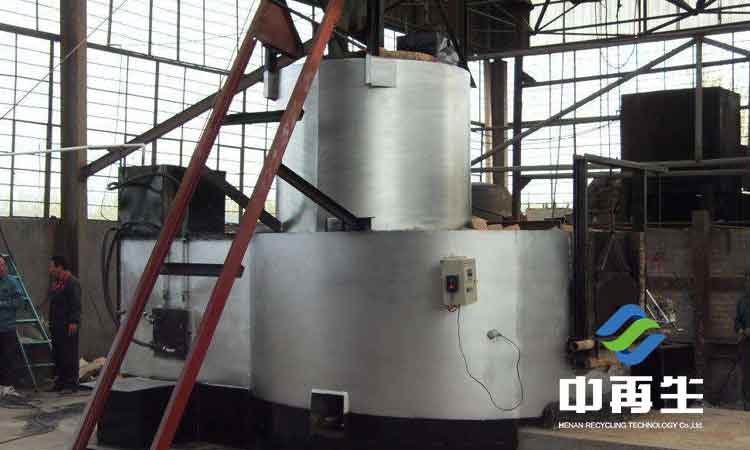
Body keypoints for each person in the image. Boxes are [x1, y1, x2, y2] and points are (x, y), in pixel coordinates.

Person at [48, 255, 81, 393]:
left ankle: (71, 383)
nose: (50, 270)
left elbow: (75, 303)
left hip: (67, 324)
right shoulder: (57, 284)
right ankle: (60, 382)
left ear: (59, 267)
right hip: (57, 324)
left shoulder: (71, 282)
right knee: (59, 354)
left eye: (52, 267)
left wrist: (74, 321)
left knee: (69, 353)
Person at [0, 256, 21, 386]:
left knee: (9, 358)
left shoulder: (12, 282)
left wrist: (2, 304)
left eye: (2, 265)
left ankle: (9, 386)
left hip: (7, 328)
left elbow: (18, 302)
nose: (1, 268)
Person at [735, 286, 750, 411]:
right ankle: (747, 402)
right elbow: (737, 320)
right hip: (746, 343)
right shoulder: (743, 301)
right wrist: (741, 329)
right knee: (746, 373)